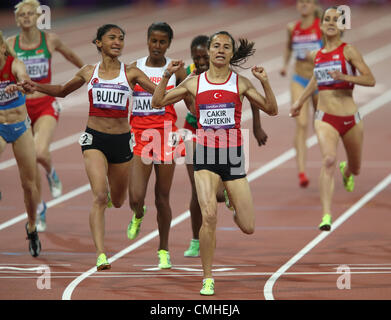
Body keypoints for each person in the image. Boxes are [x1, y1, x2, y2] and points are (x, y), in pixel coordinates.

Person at [13, 24, 157, 270]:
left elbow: (160, 95)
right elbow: (62, 91)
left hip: (121, 141)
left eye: (121, 38)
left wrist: (180, 85)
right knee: (100, 196)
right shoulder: (89, 71)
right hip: (94, 139)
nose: (117, 42)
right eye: (112, 38)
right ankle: (101, 254)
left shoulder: (131, 73)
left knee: (119, 200)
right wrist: (36, 87)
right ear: (99, 43)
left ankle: (120, 201)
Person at [152, 31, 278, 295]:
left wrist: (265, 82)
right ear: (208, 52)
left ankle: (232, 200)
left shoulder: (240, 83)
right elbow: (158, 101)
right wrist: (166, 75)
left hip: (232, 157)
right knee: (208, 215)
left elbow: (271, 108)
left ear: (232, 54)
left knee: (248, 227)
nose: (221, 50)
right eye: (216, 46)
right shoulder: (194, 83)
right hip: (205, 155)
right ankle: (207, 277)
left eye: (226, 47)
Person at [290, 7, 375, 231]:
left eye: (335, 20)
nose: (330, 22)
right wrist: (299, 102)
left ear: (342, 26)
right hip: (325, 118)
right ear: (321, 25)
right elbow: (316, 81)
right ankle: (326, 215)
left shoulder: (349, 51)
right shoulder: (317, 55)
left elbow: (370, 79)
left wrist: (345, 76)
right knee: (328, 160)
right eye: (326, 19)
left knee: (356, 168)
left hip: (350, 118)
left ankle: (347, 171)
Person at [182, 34, 268, 258]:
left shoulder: (235, 81)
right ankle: (196, 241)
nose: (201, 60)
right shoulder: (191, 77)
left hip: (229, 145)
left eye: (225, 47)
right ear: (195, 56)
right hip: (195, 134)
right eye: (198, 57)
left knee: (226, 203)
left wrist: (256, 125)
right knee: (199, 194)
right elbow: (180, 104)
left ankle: (230, 198)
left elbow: (254, 101)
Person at [7, 0, 84, 232]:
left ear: (38, 17)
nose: (27, 18)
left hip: (45, 105)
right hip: (20, 109)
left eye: (31, 14)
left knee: (40, 152)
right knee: (29, 167)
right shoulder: (10, 44)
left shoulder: (50, 40)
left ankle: (51, 173)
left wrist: (91, 75)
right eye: (23, 15)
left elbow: (71, 56)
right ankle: (39, 208)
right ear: (18, 19)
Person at [126, 22, 191, 270]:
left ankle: (163, 250)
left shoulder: (176, 70)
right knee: (136, 197)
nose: (157, 46)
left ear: (169, 44)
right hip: (140, 136)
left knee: (162, 197)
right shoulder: (135, 68)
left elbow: (191, 96)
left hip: (166, 136)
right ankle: (138, 214)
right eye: (153, 40)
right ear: (147, 41)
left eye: (162, 42)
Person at [1, 31, 41, 257]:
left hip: (19, 127)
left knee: (29, 185)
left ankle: (32, 226)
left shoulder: (14, 63)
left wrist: (20, 85)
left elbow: (26, 80)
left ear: (2, 49)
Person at [280, 0, 323, 188]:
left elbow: (337, 43)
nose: (304, 5)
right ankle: (302, 171)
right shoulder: (292, 27)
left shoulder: (322, 26)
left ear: (314, 5)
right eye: (301, 2)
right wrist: (284, 64)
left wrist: (317, 54)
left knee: (321, 125)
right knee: (302, 123)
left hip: (319, 80)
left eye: (308, 2)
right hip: (299, 79)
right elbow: (289, 46)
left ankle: (327, 162)